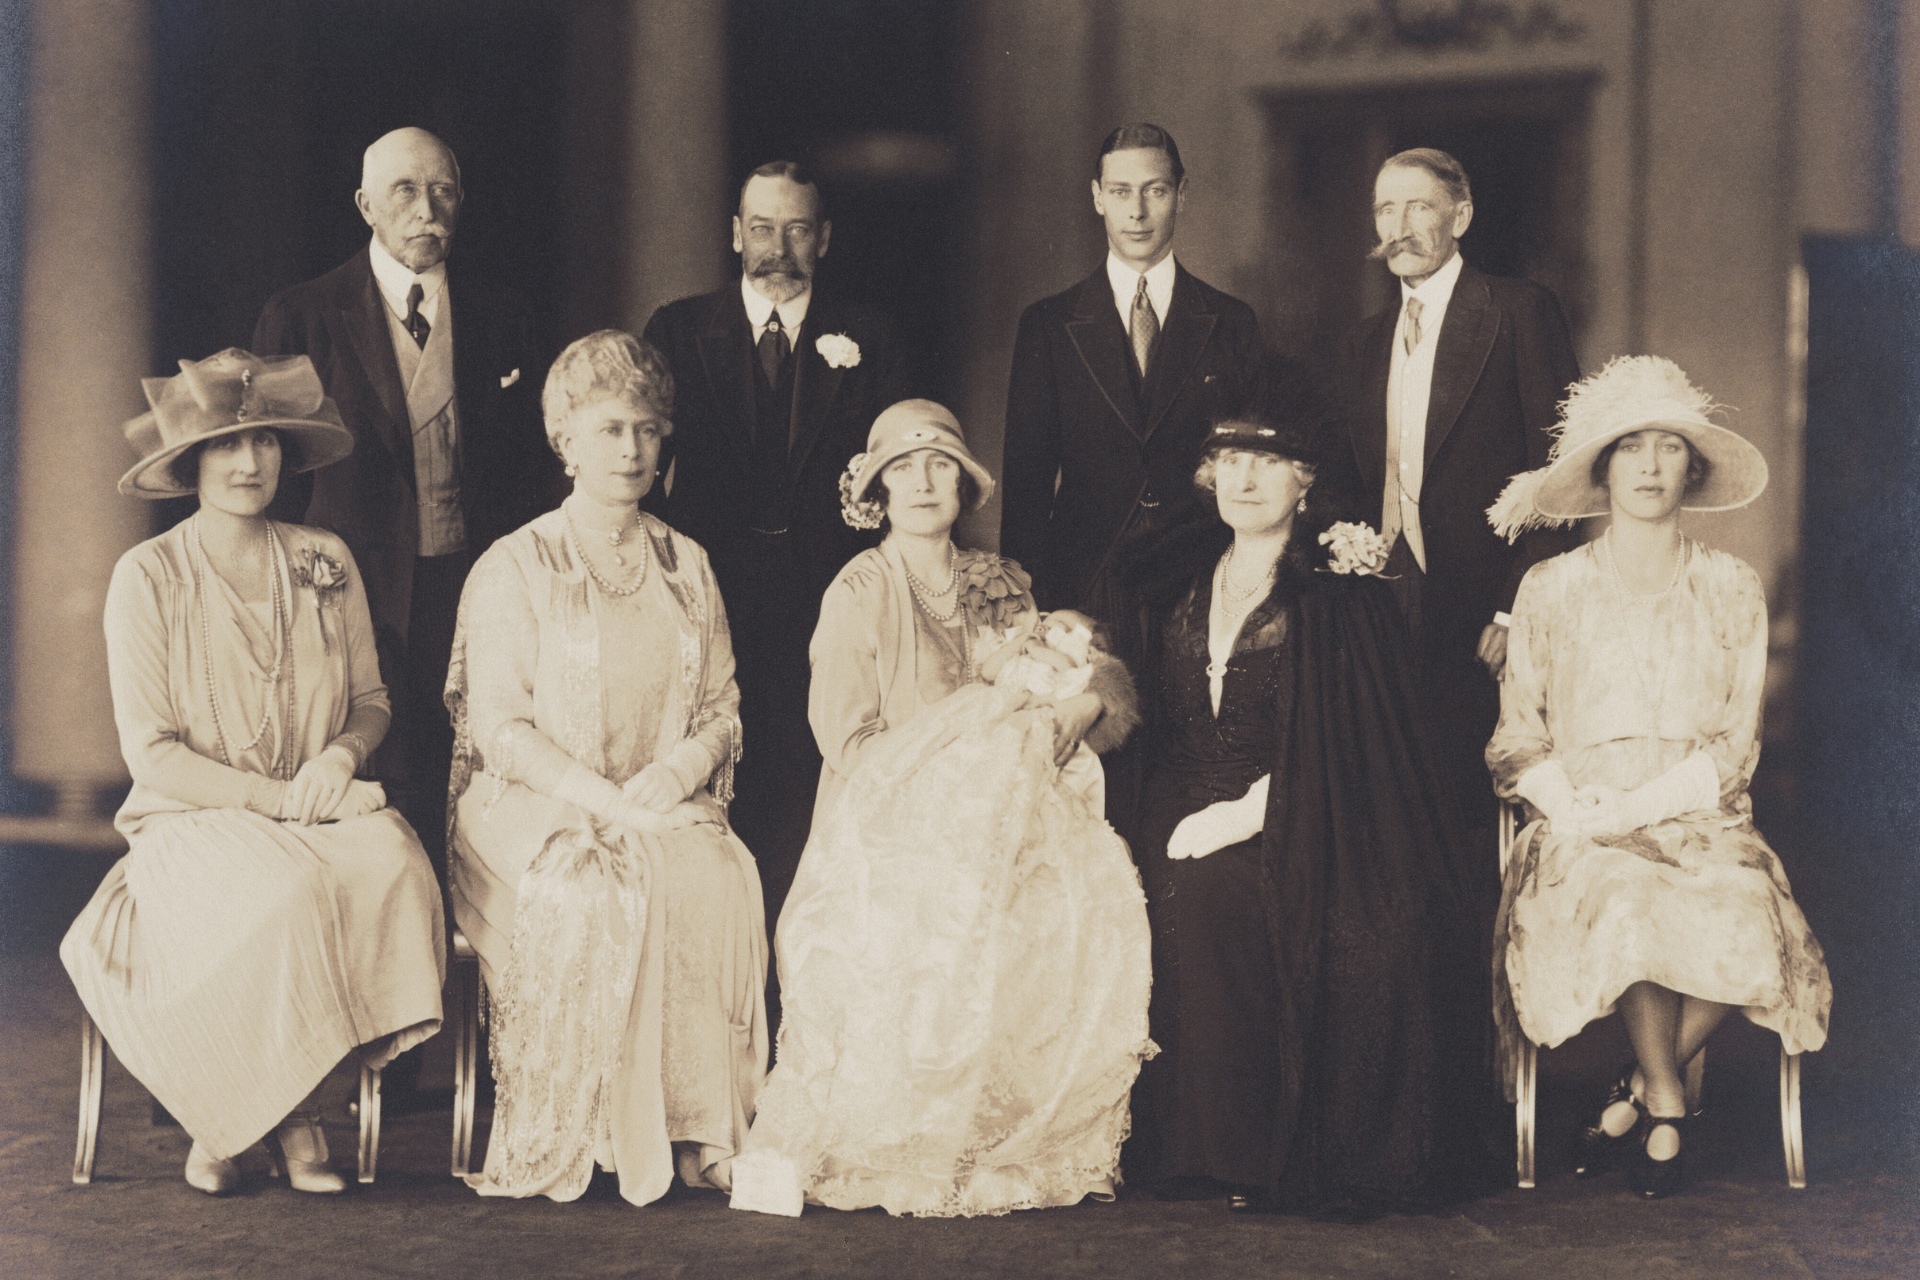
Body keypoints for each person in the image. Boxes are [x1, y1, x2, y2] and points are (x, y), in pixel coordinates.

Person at [728, 401, 1151, 1219]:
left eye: (941, 465)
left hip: (1004, 820)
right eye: (904, 468)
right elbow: (847, 744)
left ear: (965, 484)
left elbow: (1073, 672)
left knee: (1070, 905)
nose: (923, 482)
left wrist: (1081, 708)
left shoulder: (1000, 579)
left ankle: (1004, 1137)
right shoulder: (859, 589)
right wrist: (960, 770)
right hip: (886, 824)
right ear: (878, 489)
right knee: (931, 919)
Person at [62, 349, 446, 1196]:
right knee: (286, 895)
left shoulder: (324, 557)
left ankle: (264, 1112)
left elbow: (373, 699)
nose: (249, 462)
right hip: (190, 820)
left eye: (266, 441)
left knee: (397, 866)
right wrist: (280, 800)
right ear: (190, 461)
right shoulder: (148, 576)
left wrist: (343, 754)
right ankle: (266, 1119)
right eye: (227, 444)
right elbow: (152, 753)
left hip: (315, 806)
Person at [1126, 360, 1502, 1217]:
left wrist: (1247, 814)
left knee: (1222, 889)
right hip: (1173, 798)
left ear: (1306, 482)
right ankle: (1160, 1144)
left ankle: (1244, 1154)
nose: (1245, 477)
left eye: (1268, 461)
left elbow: (1351, 754)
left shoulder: (1337, 596)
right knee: (1121, 881)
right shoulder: (1177, 581)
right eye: (1229, 459)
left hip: (1307, 810)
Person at [1486, 355, 1831, 1198]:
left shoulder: (1731, 588)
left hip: (1698, 815)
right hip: (1579, 825)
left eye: (1668, 448)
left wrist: (1647, 805)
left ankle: (1641, 1091)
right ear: (1600, 469)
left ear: (1694, 466)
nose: (1648, 465)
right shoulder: (1550, 588)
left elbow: (1733, 747)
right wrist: (1580, 810)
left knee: (1752, 915)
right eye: (1628, 447)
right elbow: (1516, 739)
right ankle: (1670, 1106)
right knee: (1630, 896)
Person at [445, 330, 768, 1206]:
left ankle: (699, 1128)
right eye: (611, 429)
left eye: (649, 430)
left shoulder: (687, 564)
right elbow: (497, 726)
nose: (632, 449)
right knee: (590, 886)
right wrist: (595, 797)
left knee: (712, 876)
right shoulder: (518, 562)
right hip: (528, 804)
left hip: (652, 798)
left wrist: (678, 770)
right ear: (565, 439)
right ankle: (588, 1129)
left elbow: (722, 706)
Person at [643, 161, 914, 1008]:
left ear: (823, 239)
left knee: (804, 799)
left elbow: (898, 476)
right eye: (762, 228)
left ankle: (791, 1008)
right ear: (735, 233)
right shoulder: (680, 331)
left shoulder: (870, 334)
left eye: (798, 230)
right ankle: (712, 1003)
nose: (778, 248)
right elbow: (645, 478)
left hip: (823, 609)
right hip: (708, 602)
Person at [253, 126, 556, 881]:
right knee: (375, 788)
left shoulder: (506, 314)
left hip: (475, 586)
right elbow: (273, 481)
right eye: (405, 191)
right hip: (350, 594)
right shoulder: (303, 315)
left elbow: (532, 471)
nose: (428, 209)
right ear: (366, 206)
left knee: (475, 777)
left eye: (444, 191)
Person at [1000, 122, 1265, 827]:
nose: (1138, 212)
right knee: (1093, 793)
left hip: (1199, 584)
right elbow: (1026, 486)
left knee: (1194, 781)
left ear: (1183, 195)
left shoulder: (1230, 323)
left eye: (1154, 191)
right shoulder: (1050, 325)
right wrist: (1035, 614)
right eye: (1121, 193)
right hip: (1087, 590)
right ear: (1096, 199)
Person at [1339, 148, 1580, 837]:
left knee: (1469, 816)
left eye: (1419, 206)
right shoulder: (1363, 343)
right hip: (1382, 611)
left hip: (1482, 619)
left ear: (1461, 216)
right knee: (1389, 815)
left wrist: (1515, 615)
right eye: (1386, 208)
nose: (1399, 225)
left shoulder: (1518, 311)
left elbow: (1561, 479)